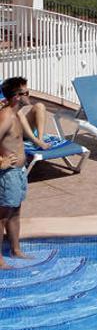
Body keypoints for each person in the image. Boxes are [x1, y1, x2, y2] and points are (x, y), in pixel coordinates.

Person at [0, 76, 33, 269]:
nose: (29, 95)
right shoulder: (6, 117)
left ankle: (15, 250)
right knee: (2, 215)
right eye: (25, 92)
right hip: (8, 173)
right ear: (16, 97)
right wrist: (1, 163)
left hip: (18, 172)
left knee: (15, 212)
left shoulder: (17, 114)